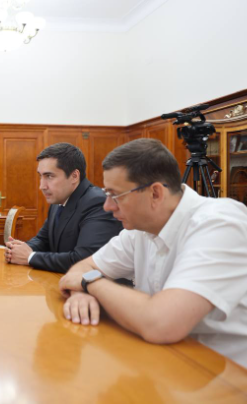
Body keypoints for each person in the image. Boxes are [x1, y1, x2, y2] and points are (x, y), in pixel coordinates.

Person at [59, 138, 247, 367]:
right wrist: (81, 294)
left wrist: (90, 283)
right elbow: (81, 268)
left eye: (115, 195)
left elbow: (161, 324)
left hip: (225, 375)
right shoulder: (141, 228)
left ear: (155, 193)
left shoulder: (220, 224)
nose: (107, 206)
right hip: (167, 362)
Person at [5, 143, 122, 273]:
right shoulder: (58, 200)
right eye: (41, 176)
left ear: (74, 176)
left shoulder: (97, 203)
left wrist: (30, 257)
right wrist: (19, 249)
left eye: (49, 176)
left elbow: (84, 260)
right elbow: (43, 240)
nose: (42, 186)